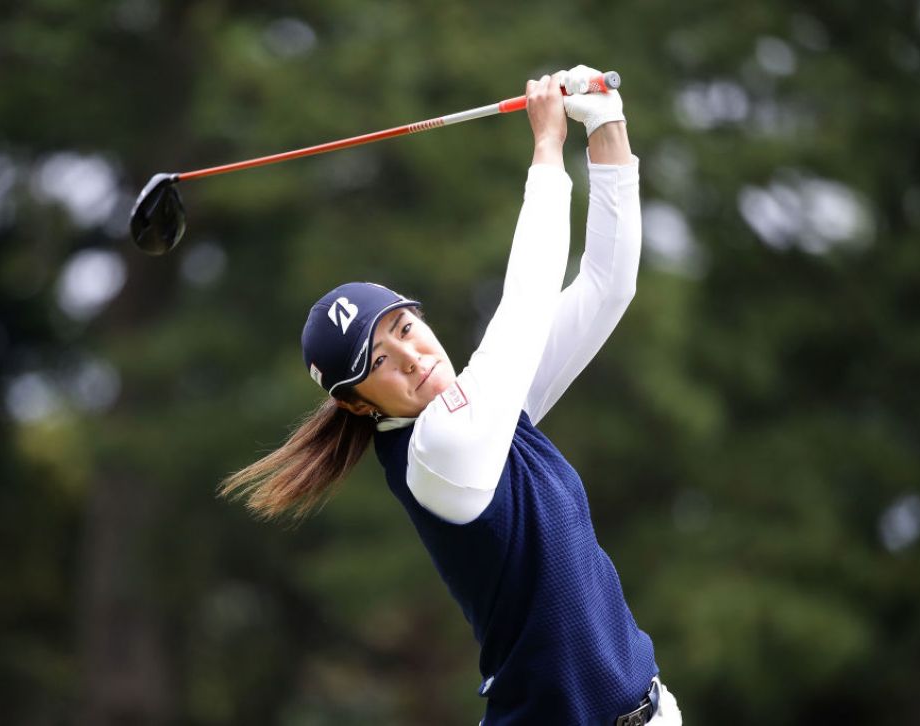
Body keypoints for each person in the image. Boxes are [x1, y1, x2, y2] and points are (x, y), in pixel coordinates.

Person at [221, 66, 682, 725]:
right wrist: (547, 146)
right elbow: (524, 305)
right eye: (381, 361)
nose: (413, 356)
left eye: (407, 327)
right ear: (358, 404)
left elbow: (608, 285)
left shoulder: (490, 411)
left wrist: (606, 122)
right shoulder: (441, 450)